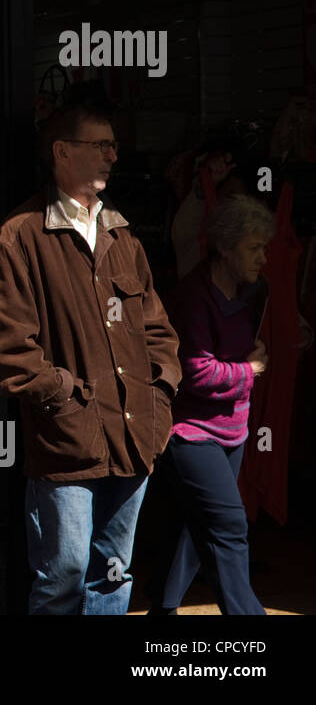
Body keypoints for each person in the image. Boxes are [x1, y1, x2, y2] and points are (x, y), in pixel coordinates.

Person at [0, 103, 182, 614]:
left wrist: (159, 395)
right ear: (62, 152)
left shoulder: (123, 233)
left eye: (114, 145)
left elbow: (158, 329)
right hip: (67, 446)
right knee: (64, 578)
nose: (113, 155)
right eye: (101, 145)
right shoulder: (22, 235)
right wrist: (67, 398)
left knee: (114, 576)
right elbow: (10, 351)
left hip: (136, 436)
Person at [149, 194, 273, 615]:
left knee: (193, 527)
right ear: (226, 246)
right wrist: (249, 370)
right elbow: (197, 372)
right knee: (228, 526)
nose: (262, 257)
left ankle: (162, 610)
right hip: (191, 433)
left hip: (232, 431)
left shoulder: (250, 291)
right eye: (253, 248)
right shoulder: (192, 297)